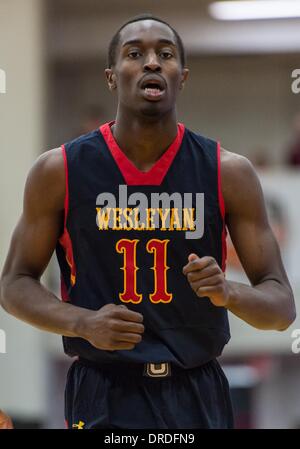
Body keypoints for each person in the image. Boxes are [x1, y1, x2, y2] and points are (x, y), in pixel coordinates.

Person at [0, 14, 296, 429]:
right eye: (135, 54)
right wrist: (81, 321)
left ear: (183, 76)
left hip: (197, 388)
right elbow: (13, 284)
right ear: (111, 76)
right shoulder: (59, 169)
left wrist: (228, 291)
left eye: (166, 54)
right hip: (103, 386)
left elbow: (282, 307)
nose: (152, 62)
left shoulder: (228, 172)